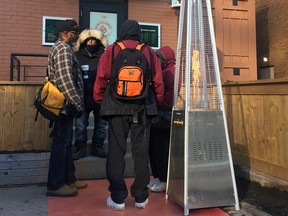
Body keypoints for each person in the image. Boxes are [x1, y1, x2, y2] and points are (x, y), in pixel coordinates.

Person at [93, 20, 164, 210]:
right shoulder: (149, 52)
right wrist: (155, 101)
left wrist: (100, 100)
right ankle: (141, 197)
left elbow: (101, 77)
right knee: (141, 153)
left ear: (122, 32)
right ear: (138, 33)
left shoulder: (112, 50)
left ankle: (117, 198)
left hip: (116, 107)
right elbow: (158, 81)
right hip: (142, 107)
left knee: (116, 152)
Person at [46, 19, 87, 197]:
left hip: (64, 105)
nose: (77, 35)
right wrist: (77, 104)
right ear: (65, 34)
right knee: (60, 145)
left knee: (66, 144)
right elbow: (65, 80)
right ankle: (55, 185)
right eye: (74, 32)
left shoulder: (64, 48)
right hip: (63, 105)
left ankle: (69, 178)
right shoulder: (63, 49)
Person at [73, 29, 109, 160]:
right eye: (89, 40)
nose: (91, 42)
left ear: (99, 42)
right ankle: (80, 147)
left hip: (100, 97)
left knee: (101, 125)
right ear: (84, 42)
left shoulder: (105, 56)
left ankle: (97, 146)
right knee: (80, 125)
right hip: (82, 97)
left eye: (94, 40)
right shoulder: (77, 56)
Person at [148, 46, 176, 192]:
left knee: (161, 149)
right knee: (154, 148)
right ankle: (158, 177)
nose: (157, 60)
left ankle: (164, 179)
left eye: (160, 57)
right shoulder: (164, 71)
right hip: (159, 115)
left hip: (162, 117)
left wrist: (155, 99)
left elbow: (168, 99)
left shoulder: (169, 73)